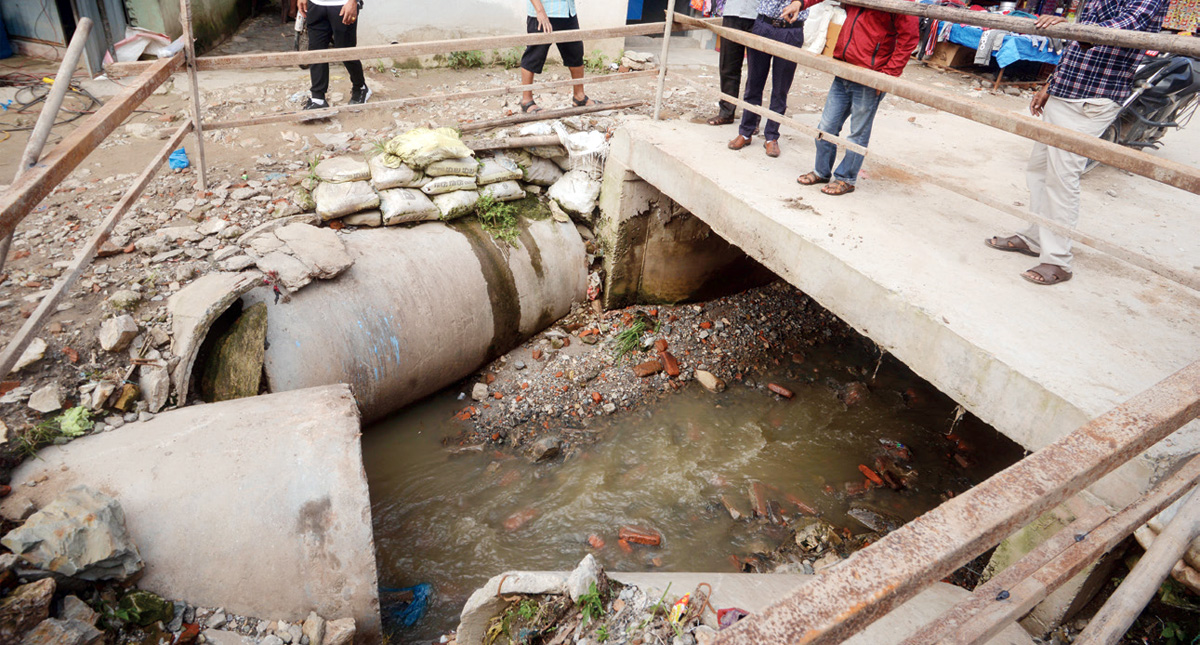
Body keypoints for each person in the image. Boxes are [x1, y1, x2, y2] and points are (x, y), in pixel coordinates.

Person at [985, 3, 1167, 286]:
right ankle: (1034, 236)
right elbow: (1074, 50)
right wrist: (1051, 83)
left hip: (1092, 98)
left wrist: (1066, 26)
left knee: (1062, 177)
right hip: (1066, 90)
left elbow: (1118, 28)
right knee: (1039, 170)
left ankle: (1058, 260)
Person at [795, 3, 917, 195]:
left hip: (870, 75)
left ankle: (846, 178)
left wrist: (887, 76)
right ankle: (822, 171)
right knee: (826, 126)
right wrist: (801, 3)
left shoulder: (902, 3)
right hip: (844, 68)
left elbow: (909, 38)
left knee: (857, 133)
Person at [727, 0, 815, 158]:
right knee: (754, 82)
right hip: (764, 24)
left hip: (791, 29)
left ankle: (772, 136)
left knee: (781, 88)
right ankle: (746, 132)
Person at [520, 0, 601, 113]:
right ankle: (526, 101)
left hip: (567, 12)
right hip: (544, 13)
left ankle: (579, 97)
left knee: (575, 53)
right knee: (534, 55)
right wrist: (540, 11)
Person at [299, 0, 370, 110]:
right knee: (316, 52)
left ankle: (360, 86)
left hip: (342, 4)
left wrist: (353, 2)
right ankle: (318, 98)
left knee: (345, 51)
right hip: (315, 5)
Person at [707, 0, 760, 126]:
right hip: (732, 12)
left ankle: (751, 120)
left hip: (757, 15)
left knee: (756, 70)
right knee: (728, 65)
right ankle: (726, 112)